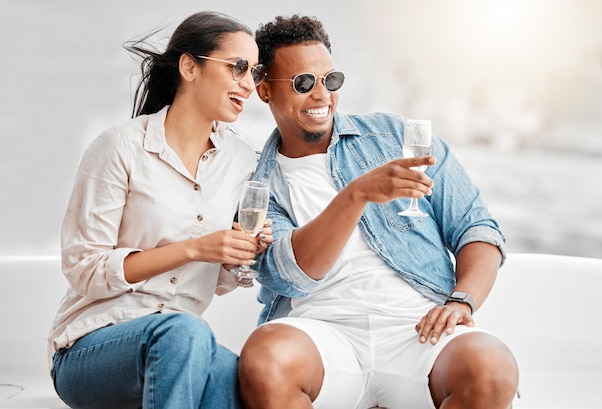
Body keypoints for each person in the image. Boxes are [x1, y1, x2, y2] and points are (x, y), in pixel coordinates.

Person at [238, 14, 519, 409]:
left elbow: (478, 229)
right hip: (322, 331)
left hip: (419, 329)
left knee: (491, 369)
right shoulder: (256, 185)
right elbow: (290, 275)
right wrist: (356, 195)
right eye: (303, 83)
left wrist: (461, 301)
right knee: (266, 359)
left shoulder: (395, 136)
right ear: (264, 89)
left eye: (330, 81)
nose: (322, 96)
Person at [48, 11, 272, 409]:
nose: (248, 84)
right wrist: (196, 248)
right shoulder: (119, 147)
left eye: (254, 72)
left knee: (247, 379)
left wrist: (239, 252)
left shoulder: (241, 162)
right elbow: (84, 268)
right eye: (238, 67)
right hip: (92, 349)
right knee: (184, 332)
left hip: (182, 346)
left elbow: (217, 280)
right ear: (190, 66)